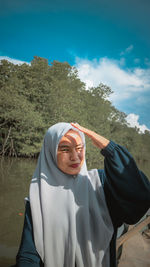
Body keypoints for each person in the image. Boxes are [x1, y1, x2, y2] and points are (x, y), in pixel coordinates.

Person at [15, 122, 150, 267]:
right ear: (50, 152)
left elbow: (139, 199)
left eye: (80, 148)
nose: (75, 157)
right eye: (65, 149)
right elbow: (29, 254)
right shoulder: (38, 195)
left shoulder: (100, 183)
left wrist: (110, 148)